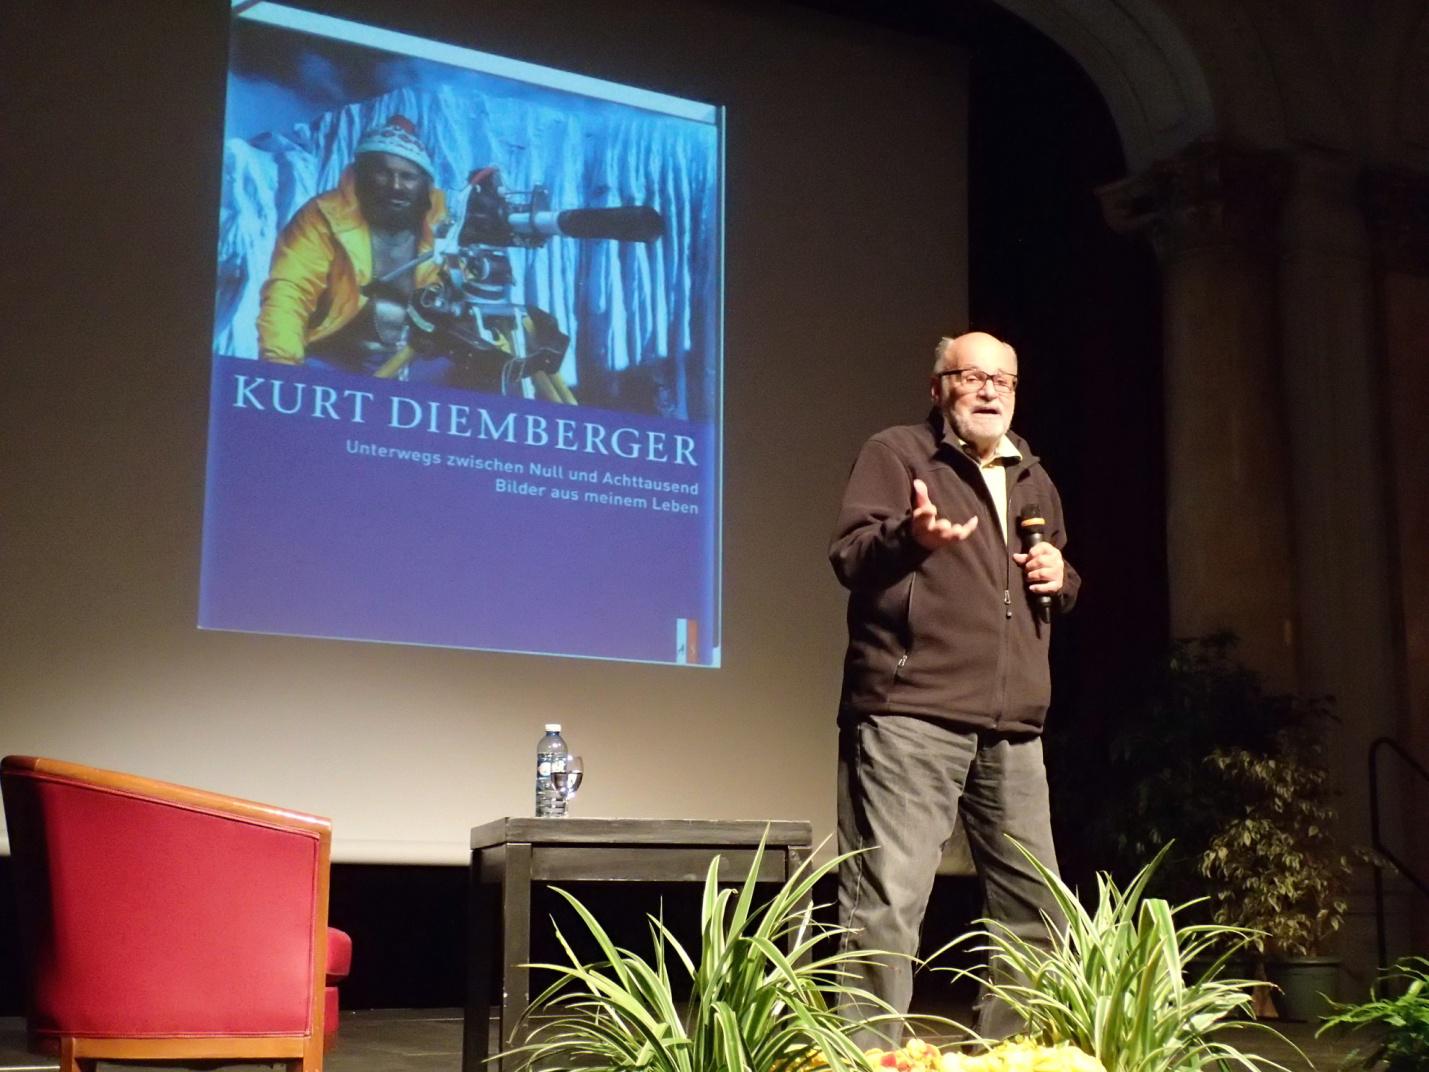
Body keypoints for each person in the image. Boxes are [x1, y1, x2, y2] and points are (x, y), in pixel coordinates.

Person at [828, 330, 1080, 1045]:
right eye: (972, 376)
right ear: (938, 388)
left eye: (1003, 379)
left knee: (1035, 908)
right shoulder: (899, 454)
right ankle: (867, 1056)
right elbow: (850, 555)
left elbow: (1053, 578)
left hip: (1013, 723)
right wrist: (911, 537)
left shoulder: (1032, 474)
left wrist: (1062, 578)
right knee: (889, 901)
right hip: (912, 711)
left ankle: (1011, 1053)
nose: (989, 390)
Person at [257, 114, 447, 376]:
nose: (396, 186)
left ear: (426, 185)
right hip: (334, 360)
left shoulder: (448, 232)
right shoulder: (322, 216)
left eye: (407, 176)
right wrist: (282, 366)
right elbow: (290, 290)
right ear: (360, 175)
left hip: (418, 366)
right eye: (383, 173)